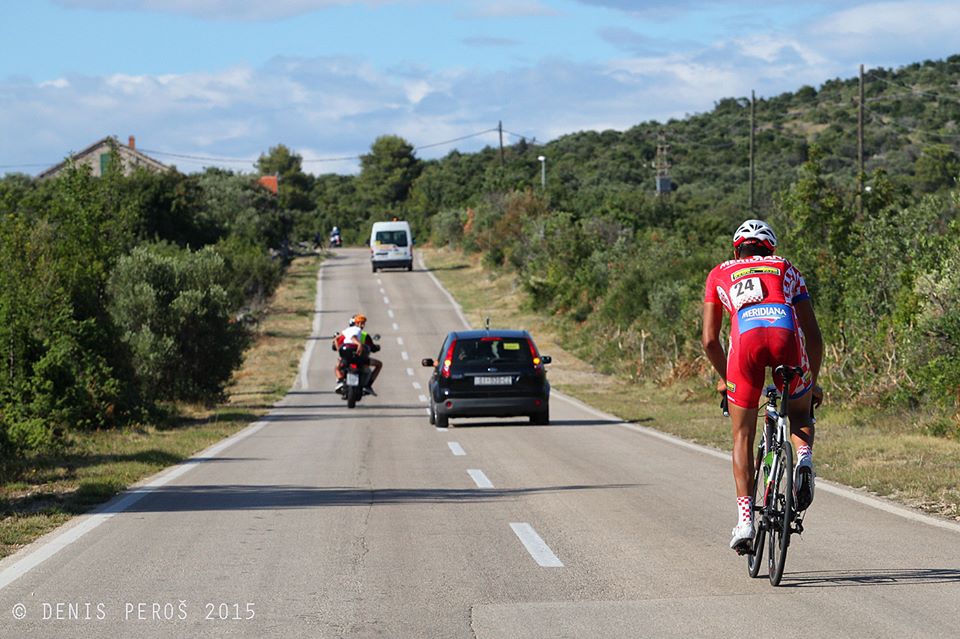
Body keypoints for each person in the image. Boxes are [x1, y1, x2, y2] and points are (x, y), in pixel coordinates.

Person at [701, 219, 823, 553]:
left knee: (742, 436)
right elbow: (813, 335)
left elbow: (710, 341)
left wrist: (726, 382)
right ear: (770, 249)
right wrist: (813, 381)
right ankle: (804, 459)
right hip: (786, 335)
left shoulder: (718, 273)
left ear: (736, 248)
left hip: (746, 340)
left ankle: (745, 522)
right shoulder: (785, 267)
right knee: (799, 413)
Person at [332, 313, 382, 394]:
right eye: (361, 323)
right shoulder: (361, 332)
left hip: (347, 357)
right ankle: (368, 385)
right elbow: (354, 338)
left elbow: (336, 341)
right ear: (356, 323)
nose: (362, 325)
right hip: (360, 358)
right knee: (379, 364)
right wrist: (359, 344)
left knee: (338, 366)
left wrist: (338, 350)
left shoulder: (346, 331)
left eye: (363, 323)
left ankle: (340, 381)